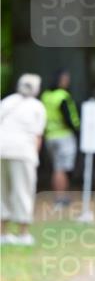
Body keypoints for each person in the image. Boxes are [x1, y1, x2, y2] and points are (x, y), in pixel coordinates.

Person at [0, 74, 47, 246]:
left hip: (1, 149)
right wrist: (34, 157)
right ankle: (23, 234)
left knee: (2, 191)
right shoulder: (37, 107)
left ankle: (2, 233)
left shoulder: (7, 101)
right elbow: (37, 136)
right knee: (23, 190)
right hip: (23, 151)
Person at [41, 70, 80, 206]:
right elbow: (68, 118)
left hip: (50, 136)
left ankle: (59, 195)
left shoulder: (46, 95)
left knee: (57, 167)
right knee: (62, 168)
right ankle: (61, 197)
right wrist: (76, 129)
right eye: (65, 79)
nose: (67, 81)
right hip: (63, 136)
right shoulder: (62, 96)